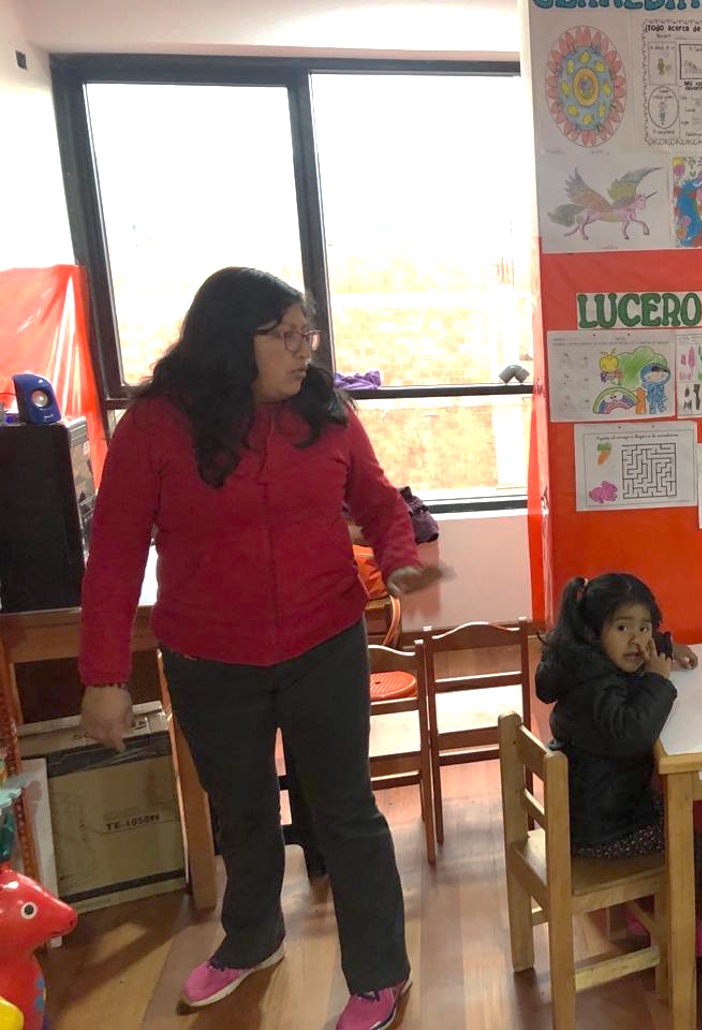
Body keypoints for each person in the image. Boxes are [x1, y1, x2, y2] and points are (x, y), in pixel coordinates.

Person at [78, 267, 442, 1030]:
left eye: (307, 331)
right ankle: (251, 941)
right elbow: (113, 556)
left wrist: (399, 553)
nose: (302, 348)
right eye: (284, 334)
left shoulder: (328, 411)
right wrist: (104, 675)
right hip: (209, 660)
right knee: (240, 814)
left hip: (324, 641)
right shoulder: (155, 426)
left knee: (346, 812)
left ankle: (379, 974)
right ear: (228, 339)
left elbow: (378, 499)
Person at [534, 572, 702, 957]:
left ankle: (645, 912)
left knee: (670, 813)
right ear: (592, 632)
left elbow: (633, 663)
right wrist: (658, 682)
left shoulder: (584, 666)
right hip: (601, 829)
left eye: (646, 628)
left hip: (593, 809)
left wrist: (667, 649)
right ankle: (674, 925)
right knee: (685, 838)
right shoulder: (596, 687)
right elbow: (631, 732)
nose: (637, 639)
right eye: (623, 627)